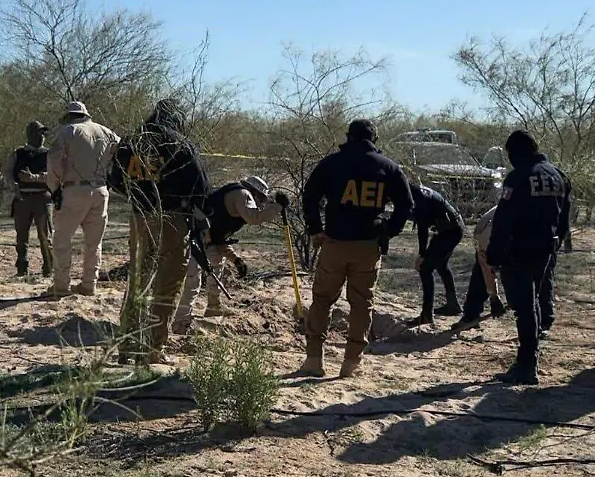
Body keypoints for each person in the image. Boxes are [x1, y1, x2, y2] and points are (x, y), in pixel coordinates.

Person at [296, 119, 413, 379]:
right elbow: (406, 205)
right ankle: (351, 363)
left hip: (335, 243)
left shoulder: (331, 163)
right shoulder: (389, 168)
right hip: (368, 246)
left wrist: (315, 229)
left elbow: (310, 195)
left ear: (348, 137)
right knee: (361, 304)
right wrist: (388, 230)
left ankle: (314, 359)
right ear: (375, 139)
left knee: (322, 300)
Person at [110, 99, 210, 364]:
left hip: (140, 218)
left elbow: (115, 180)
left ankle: (127, 343)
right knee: (166, 284)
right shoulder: (180, 143)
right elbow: (201, 186)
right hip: (173, 218)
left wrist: (138, 197)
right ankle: (153, 347)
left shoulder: (130, 142)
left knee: (138, 280)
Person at [486, 131, 571, 385]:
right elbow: (564, 218)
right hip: (545, 248)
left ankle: (526, 365)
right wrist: (555, 243)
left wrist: (494, 253)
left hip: (519, 249)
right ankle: (529, 360)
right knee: (533, 302)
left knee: (525, 307)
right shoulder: (558, 176)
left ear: (515, 152)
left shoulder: (519, 176)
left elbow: (503, 219)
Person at [174, 175, 288, 329]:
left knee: (217, 264)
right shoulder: (242, 194)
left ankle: (213, 308)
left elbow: (219, 240)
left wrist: (236, 259)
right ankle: (181, 320)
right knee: (193, 280)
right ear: (254, 192)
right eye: (261, 198)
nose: (261, 203)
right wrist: (277, 207)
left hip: (206, 239)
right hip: (195, 238)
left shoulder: (233, 200)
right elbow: (254, 218)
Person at [45, 102, 120, 297]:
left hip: (74, 189)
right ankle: (89, 284)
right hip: (100, 190)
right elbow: (122, 153)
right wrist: (112, 178)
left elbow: (53, 160)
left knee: (62, 240)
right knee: (94, 242)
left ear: (70, 116)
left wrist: (55, 187)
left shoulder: (68, 131)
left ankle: (61, 286)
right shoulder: (107, 132)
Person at [409, 183, 465, 323]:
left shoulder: (418, 197)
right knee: (441, 265)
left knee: (425, 268)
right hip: (450, 229)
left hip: (450, 231)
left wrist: (422, 254)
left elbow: (422, 229)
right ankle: (453, 305)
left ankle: (427, 314)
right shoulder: (417, 191)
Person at [5, 121, 54, 278]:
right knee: (21, 237)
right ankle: (22, 268)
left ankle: (48, 268)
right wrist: (14, 187)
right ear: (30, 135)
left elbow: (54, 175)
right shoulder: (17, 154)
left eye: (43, 133)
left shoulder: (49, 154)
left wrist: (34, 178)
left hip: (43, 198)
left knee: (45, 236)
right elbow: (8, 173)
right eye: (39, 133)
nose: (43, 136)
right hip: (22, 198)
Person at [456, 205, 507, 326]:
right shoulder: (486, 240)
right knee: (479, 276)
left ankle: (540, 321)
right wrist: (494, 297)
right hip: (488, 237)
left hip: (531, 239)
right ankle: (471, 315)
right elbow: (487, 269)